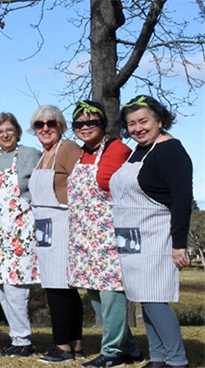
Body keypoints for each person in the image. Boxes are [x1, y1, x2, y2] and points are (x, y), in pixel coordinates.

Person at [111, 95, 192, 368]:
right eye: (131, 124)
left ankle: (177, 361)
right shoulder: (139, 150)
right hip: (132, 238)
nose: (137, 128)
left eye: (143, 121)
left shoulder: (170, 151)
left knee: (155, 299)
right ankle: (158, 358)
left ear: (159, 119)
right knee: (144, 298)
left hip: (157, 236)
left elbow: (182, 199)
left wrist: (179, 244)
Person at [64, 100, 143, 367]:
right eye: (79, 123)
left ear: (103, 124)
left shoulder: (119, 149)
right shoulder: (82, 154)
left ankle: (112, 354)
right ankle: (130, 349)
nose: (85, 127)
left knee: (112, 296)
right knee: (97, 296)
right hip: (84, 239)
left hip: (109, 237)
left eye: (91, 122)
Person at [27, 105, 85, 364]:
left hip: (63, 221)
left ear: (61, 126)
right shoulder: (44, 154)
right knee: (57, 285)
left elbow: (82, 185)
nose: (46, 128)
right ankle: (74, 345)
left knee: (60, 286)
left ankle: (63, 347)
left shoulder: (69, 148)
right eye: (40, 125)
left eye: (51, 123)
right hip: (44, 224)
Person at [0, 112, 41, 358]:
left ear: (17, 131)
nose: (5, 135)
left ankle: (24, 341)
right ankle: (15, 339)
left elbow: (40, 189)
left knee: (17, 289)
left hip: (21, 231)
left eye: (9, 130)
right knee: (3, 290)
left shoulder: (30, 154)